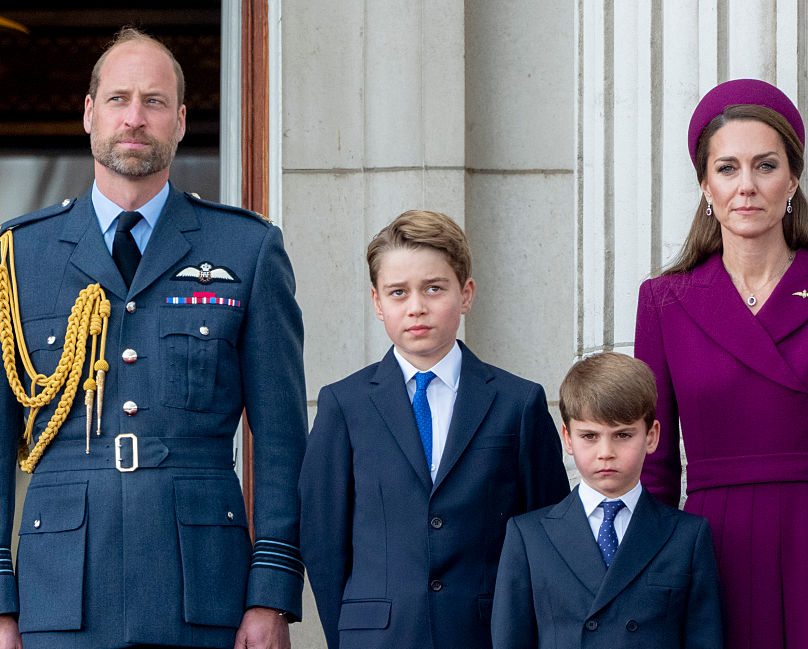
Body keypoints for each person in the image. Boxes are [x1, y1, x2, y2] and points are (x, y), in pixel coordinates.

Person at [0, 28, 306, 649]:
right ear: (88, 114)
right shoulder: (18, 257)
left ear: (182, 120)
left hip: (203, 590)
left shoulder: (246, 250)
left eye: (154, 101)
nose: (134, 118)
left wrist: (271, 592)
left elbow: (281, 440)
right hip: (57, 594)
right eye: (118, 99)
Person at [633, 78, 808, 649]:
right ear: (704, 183)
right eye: (727, 168)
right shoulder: (664, 300)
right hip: (707, 549)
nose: (746, 187)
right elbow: (653, 466)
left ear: (793, 178)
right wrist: (649, 581)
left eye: (765, 165)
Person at [299, 210, 569, 649]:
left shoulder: (518, 403)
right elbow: (323, 538)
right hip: (375, 638)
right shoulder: (343, 405)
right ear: (376, 302)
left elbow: (546, 533)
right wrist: (350, 633)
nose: (416, 307)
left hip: (486, 635)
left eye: (434, 288)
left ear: (466, 294)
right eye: (398, 292)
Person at [491, 352, 723, 649]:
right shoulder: (528, 536)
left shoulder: (687, 536)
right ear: (567, 438)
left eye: (623, 435)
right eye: (589, 436)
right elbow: (511, 640)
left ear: (651, 436)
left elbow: (704, 639)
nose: (606, 452)